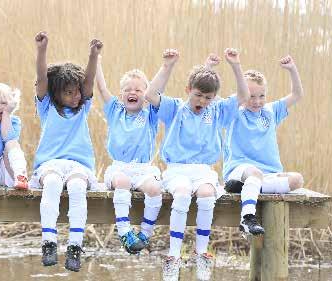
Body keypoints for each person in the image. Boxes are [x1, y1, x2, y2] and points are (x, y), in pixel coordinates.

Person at [145, 49, 249, 281]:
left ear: (214, 98)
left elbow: (243, 95)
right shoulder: (175, 108)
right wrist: (168, 66)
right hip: (177, 169)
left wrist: (236, 65)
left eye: (208, 97)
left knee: (206, 195)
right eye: (198, 95)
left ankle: (202, 253)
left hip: (203, 170)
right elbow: (151, 94)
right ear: (188, 91)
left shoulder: (217, 111)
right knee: (182, 194)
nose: (202, 101)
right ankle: (173, 257)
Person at [30, 31, 102, 272]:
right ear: (56, 93)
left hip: (78, 165)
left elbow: (90, 80)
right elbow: (41, 77)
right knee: (51, 184)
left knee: (78, 188)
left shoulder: (83, 108)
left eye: (77, 91)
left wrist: (93, 55)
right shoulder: (47, 106)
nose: (76, 96)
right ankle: (49, 241)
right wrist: (42, 50)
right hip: (50, 163)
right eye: (69, 92)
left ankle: (74, 245)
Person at [223, 56, 305, 237]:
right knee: (254, 174)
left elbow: (297, 94)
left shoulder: (271, 111)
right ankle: (247, 218)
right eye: (251, 96)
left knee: (297, 180)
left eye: (261, 96)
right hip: (240, 169)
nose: (257, 101)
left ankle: (246, 187)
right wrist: (236, 66)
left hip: (267, 174)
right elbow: (234, 97)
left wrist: (292, 69)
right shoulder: (234, 112)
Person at [94, 56, 162, 254]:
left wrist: (166, 64)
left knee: (155, 188)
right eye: (128, 90)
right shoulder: (115, 110)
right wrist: (97, 61)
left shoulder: (150, 114)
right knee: (122, 182)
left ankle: (145, 233)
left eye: (138, 90)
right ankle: (125, 232)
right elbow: (102, 89)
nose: (133, 92)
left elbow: (156, 91)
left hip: (143, 169)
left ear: (145, 94)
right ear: (121, 94)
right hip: (119, 167)